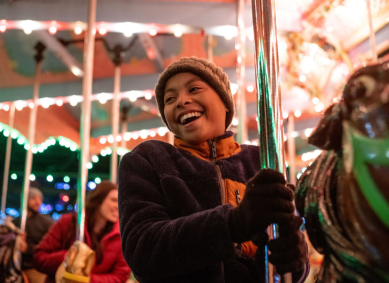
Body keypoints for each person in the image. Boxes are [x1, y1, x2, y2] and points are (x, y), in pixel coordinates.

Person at [118, 57, 309, 283]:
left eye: (194, 88)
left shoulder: (259, 161)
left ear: (225, 101)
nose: (181, 101)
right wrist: (233, 224)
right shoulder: (149, 159)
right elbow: (142, 249)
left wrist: (294, 260)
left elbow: (284, 265)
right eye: (170, 99)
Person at [33, 181, 131, 283]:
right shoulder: (69, 223)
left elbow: (120, 276)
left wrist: (86, 280)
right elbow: (38, 258)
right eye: (114, 200)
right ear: (99, 200)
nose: (118, 205)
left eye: (121, 201)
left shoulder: (120, 235)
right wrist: (67, 257)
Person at [13, 187, 53, 283]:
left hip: (35, 269)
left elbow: (49, 248)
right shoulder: (17, 222)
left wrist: (28, 248)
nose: (37, 201)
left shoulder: (46, 222)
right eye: (33, 198)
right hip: (16, 267)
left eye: (39, 199)